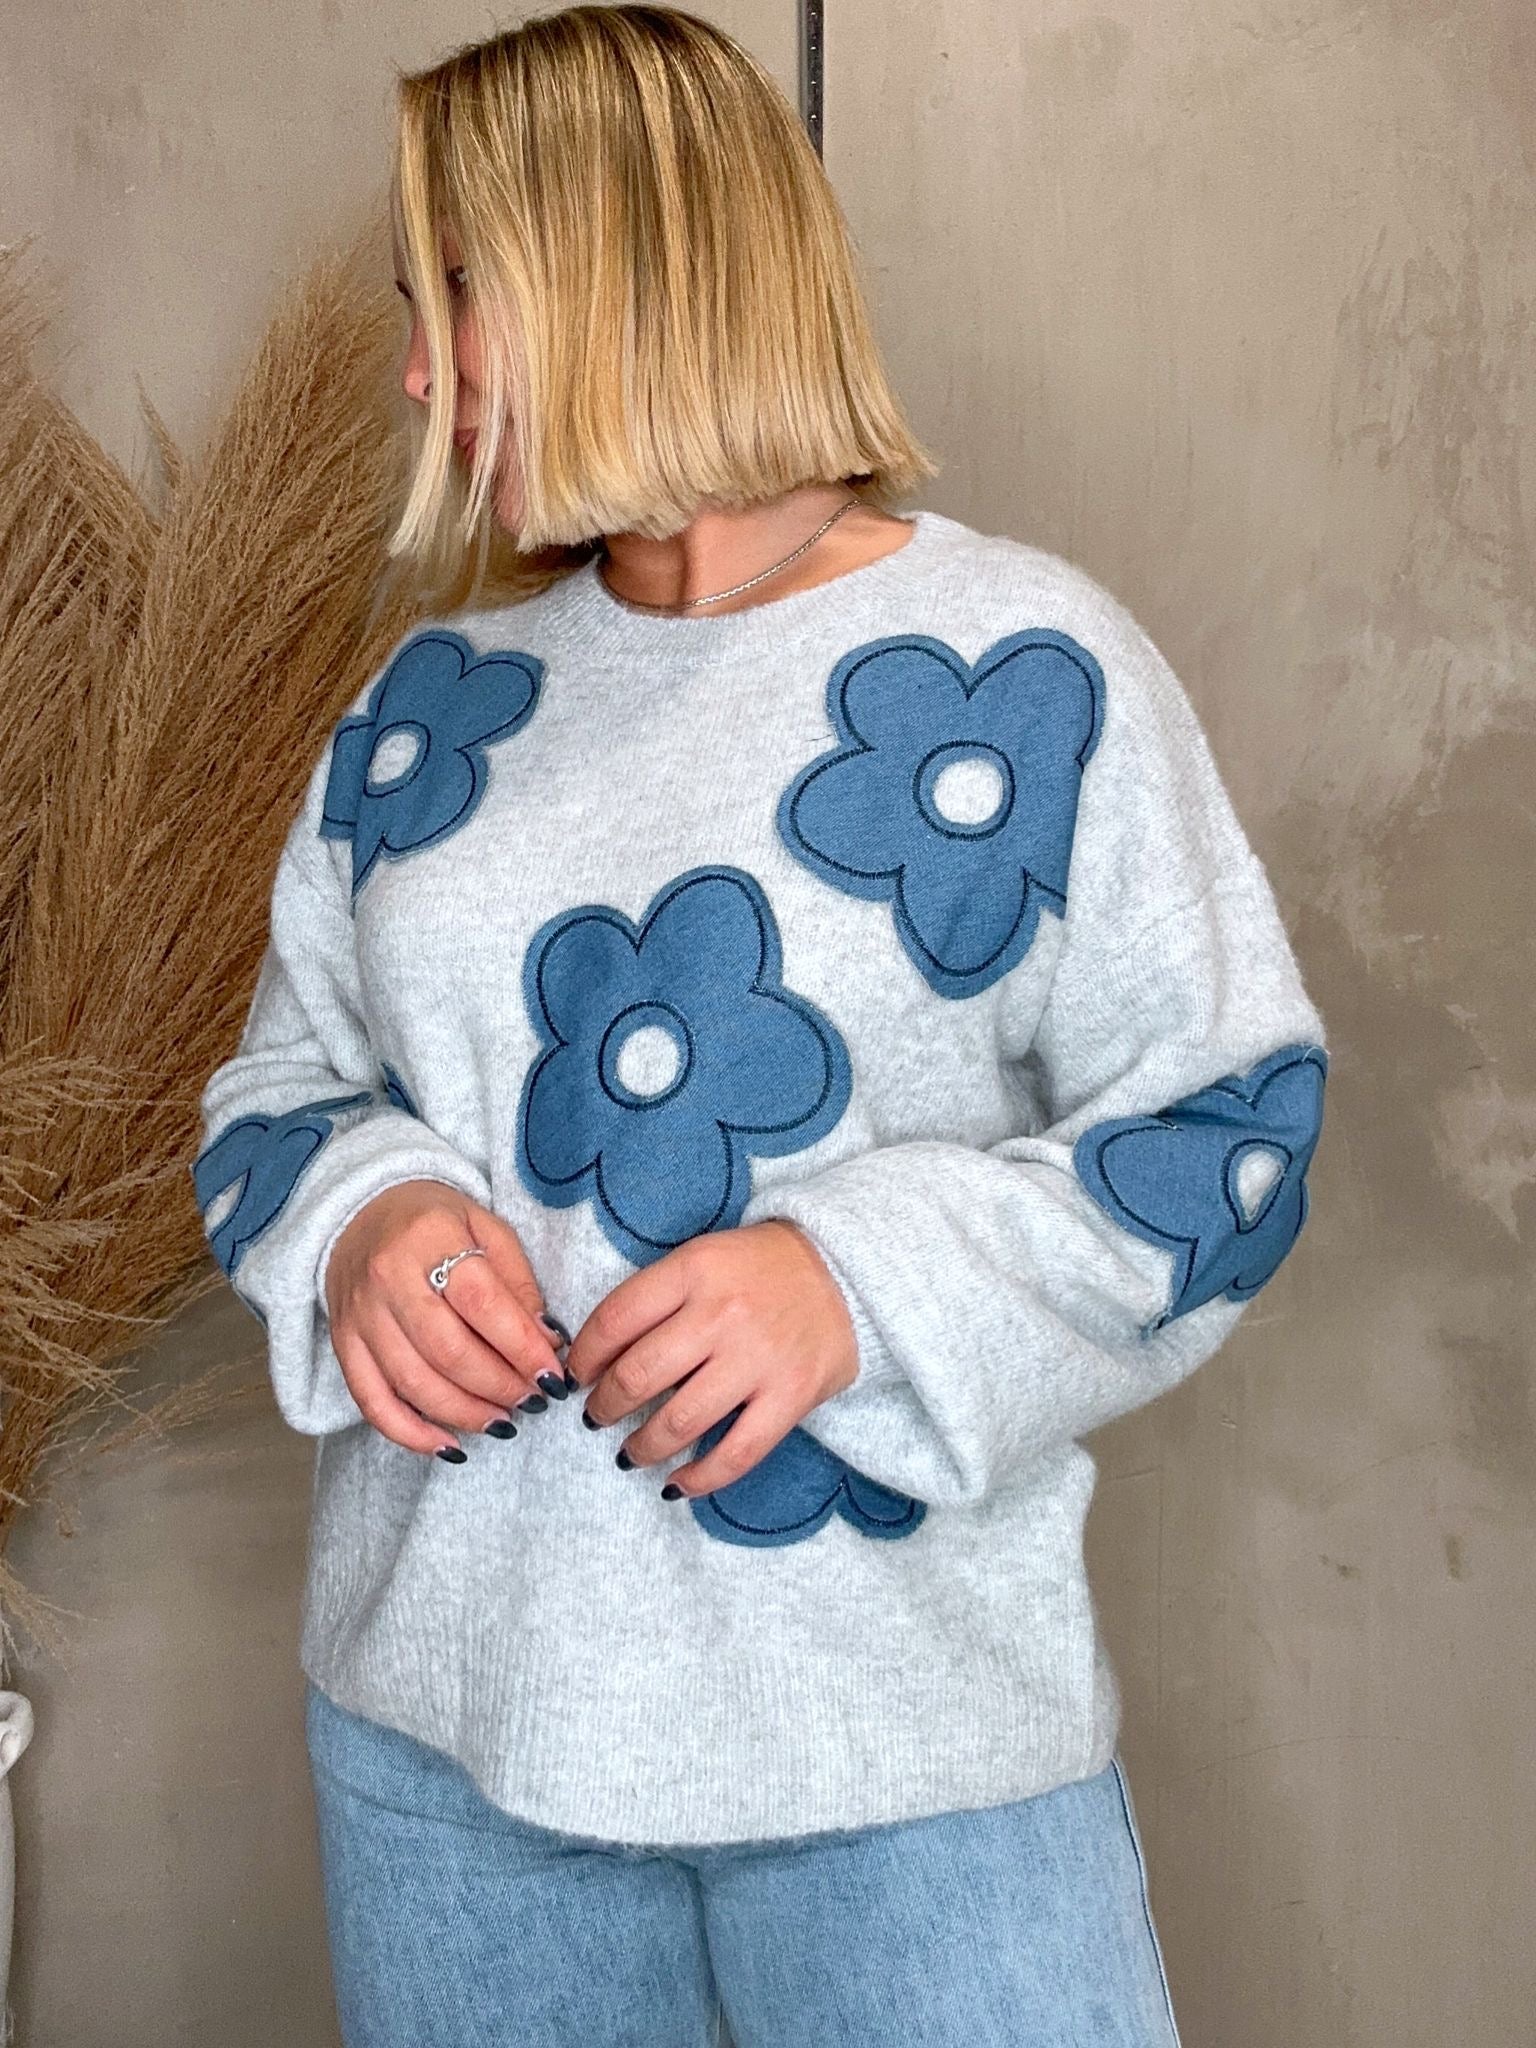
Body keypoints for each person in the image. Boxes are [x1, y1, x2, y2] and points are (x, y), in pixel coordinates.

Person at [190, 7, 1328, 2044]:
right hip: (448, 1752)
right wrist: (362, 1219)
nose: (415, 370)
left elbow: (1231, 1136)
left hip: (905, 1765)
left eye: (452, 290)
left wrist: (854, 1287)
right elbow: (279, 1086)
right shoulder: (428, 711)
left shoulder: (1020, 670)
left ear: (626, 256)